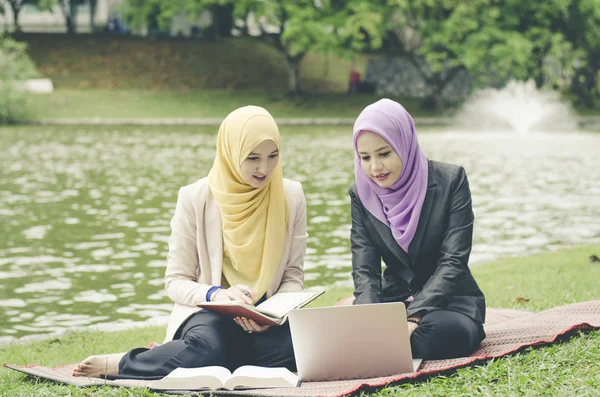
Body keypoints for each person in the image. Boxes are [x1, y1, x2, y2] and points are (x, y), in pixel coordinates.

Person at [73, 106, 307, 378]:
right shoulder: (195, 198)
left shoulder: (291, 195)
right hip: (207, 314)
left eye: (273, 156)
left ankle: (216, 359)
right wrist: (216, 294)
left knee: (305, 348)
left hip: (264, 318)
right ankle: (124, 363)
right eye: (252, 158)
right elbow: (176, 280)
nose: (264, 168)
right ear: (230, 153)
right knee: (208, 348)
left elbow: (293, 276)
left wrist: (270, 314)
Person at [349, 99, 486, 360]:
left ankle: (379, 348)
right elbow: (364, 268)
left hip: (450, 303)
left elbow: (453, 261)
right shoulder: (360, 194)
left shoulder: (451, 180)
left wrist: (414, 316)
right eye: (365, 158)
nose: (375, 167)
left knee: (446, 334)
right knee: (340, 331)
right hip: (395, 303)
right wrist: (368, 317)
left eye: (384, 153)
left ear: (404, 144)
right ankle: (381, 344)